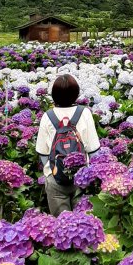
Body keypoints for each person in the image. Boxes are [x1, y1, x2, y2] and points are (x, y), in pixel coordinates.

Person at [35, 74, 100, 215]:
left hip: (55, 179)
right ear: (76, 93)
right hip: (82, 178)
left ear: (54, 95)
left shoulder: (48, 116)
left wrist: (52, 172)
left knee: (62, 226)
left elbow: (42, 152)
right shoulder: (85, 113)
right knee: (84, 224)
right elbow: (94, 150)